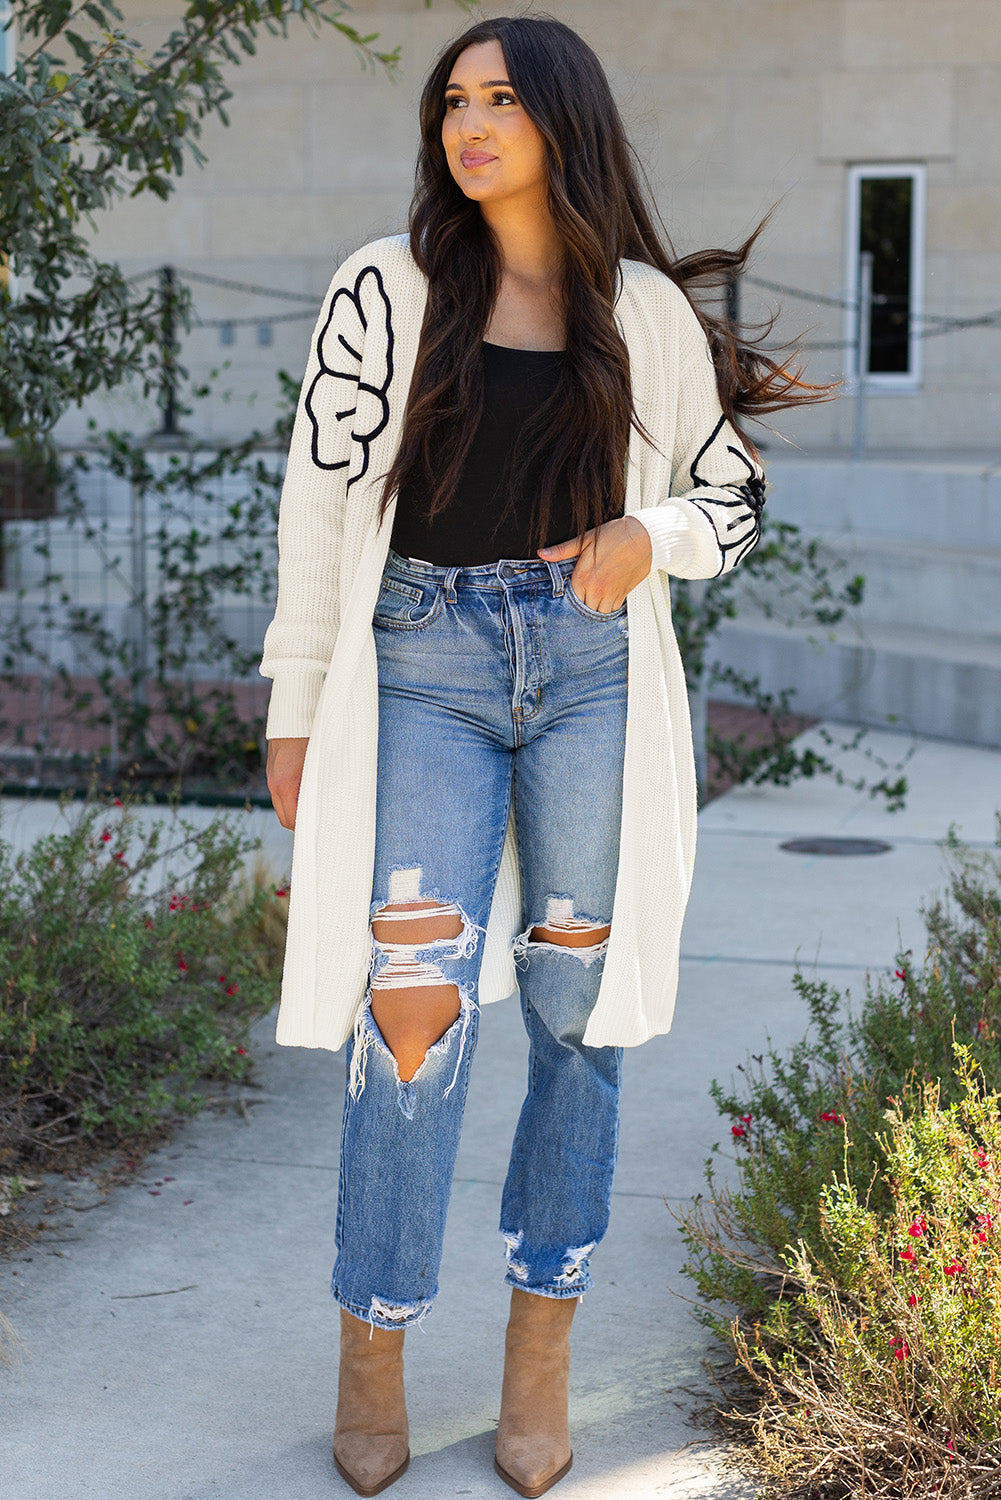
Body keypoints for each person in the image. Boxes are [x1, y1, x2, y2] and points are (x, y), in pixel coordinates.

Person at [260, 14, 830, 1498]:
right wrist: (294, 704)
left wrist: (652, 535)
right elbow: (318, 511)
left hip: (587, 675)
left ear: (561, 120)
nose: (470, 121)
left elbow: (732, 488)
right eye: (454, 99)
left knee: (578, 1014)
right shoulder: (382, 292)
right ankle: (373, 1344)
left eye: (502, 97)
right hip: (420, 667)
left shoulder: (632, 307)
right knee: (412, 1015)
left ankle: (539, 1351)